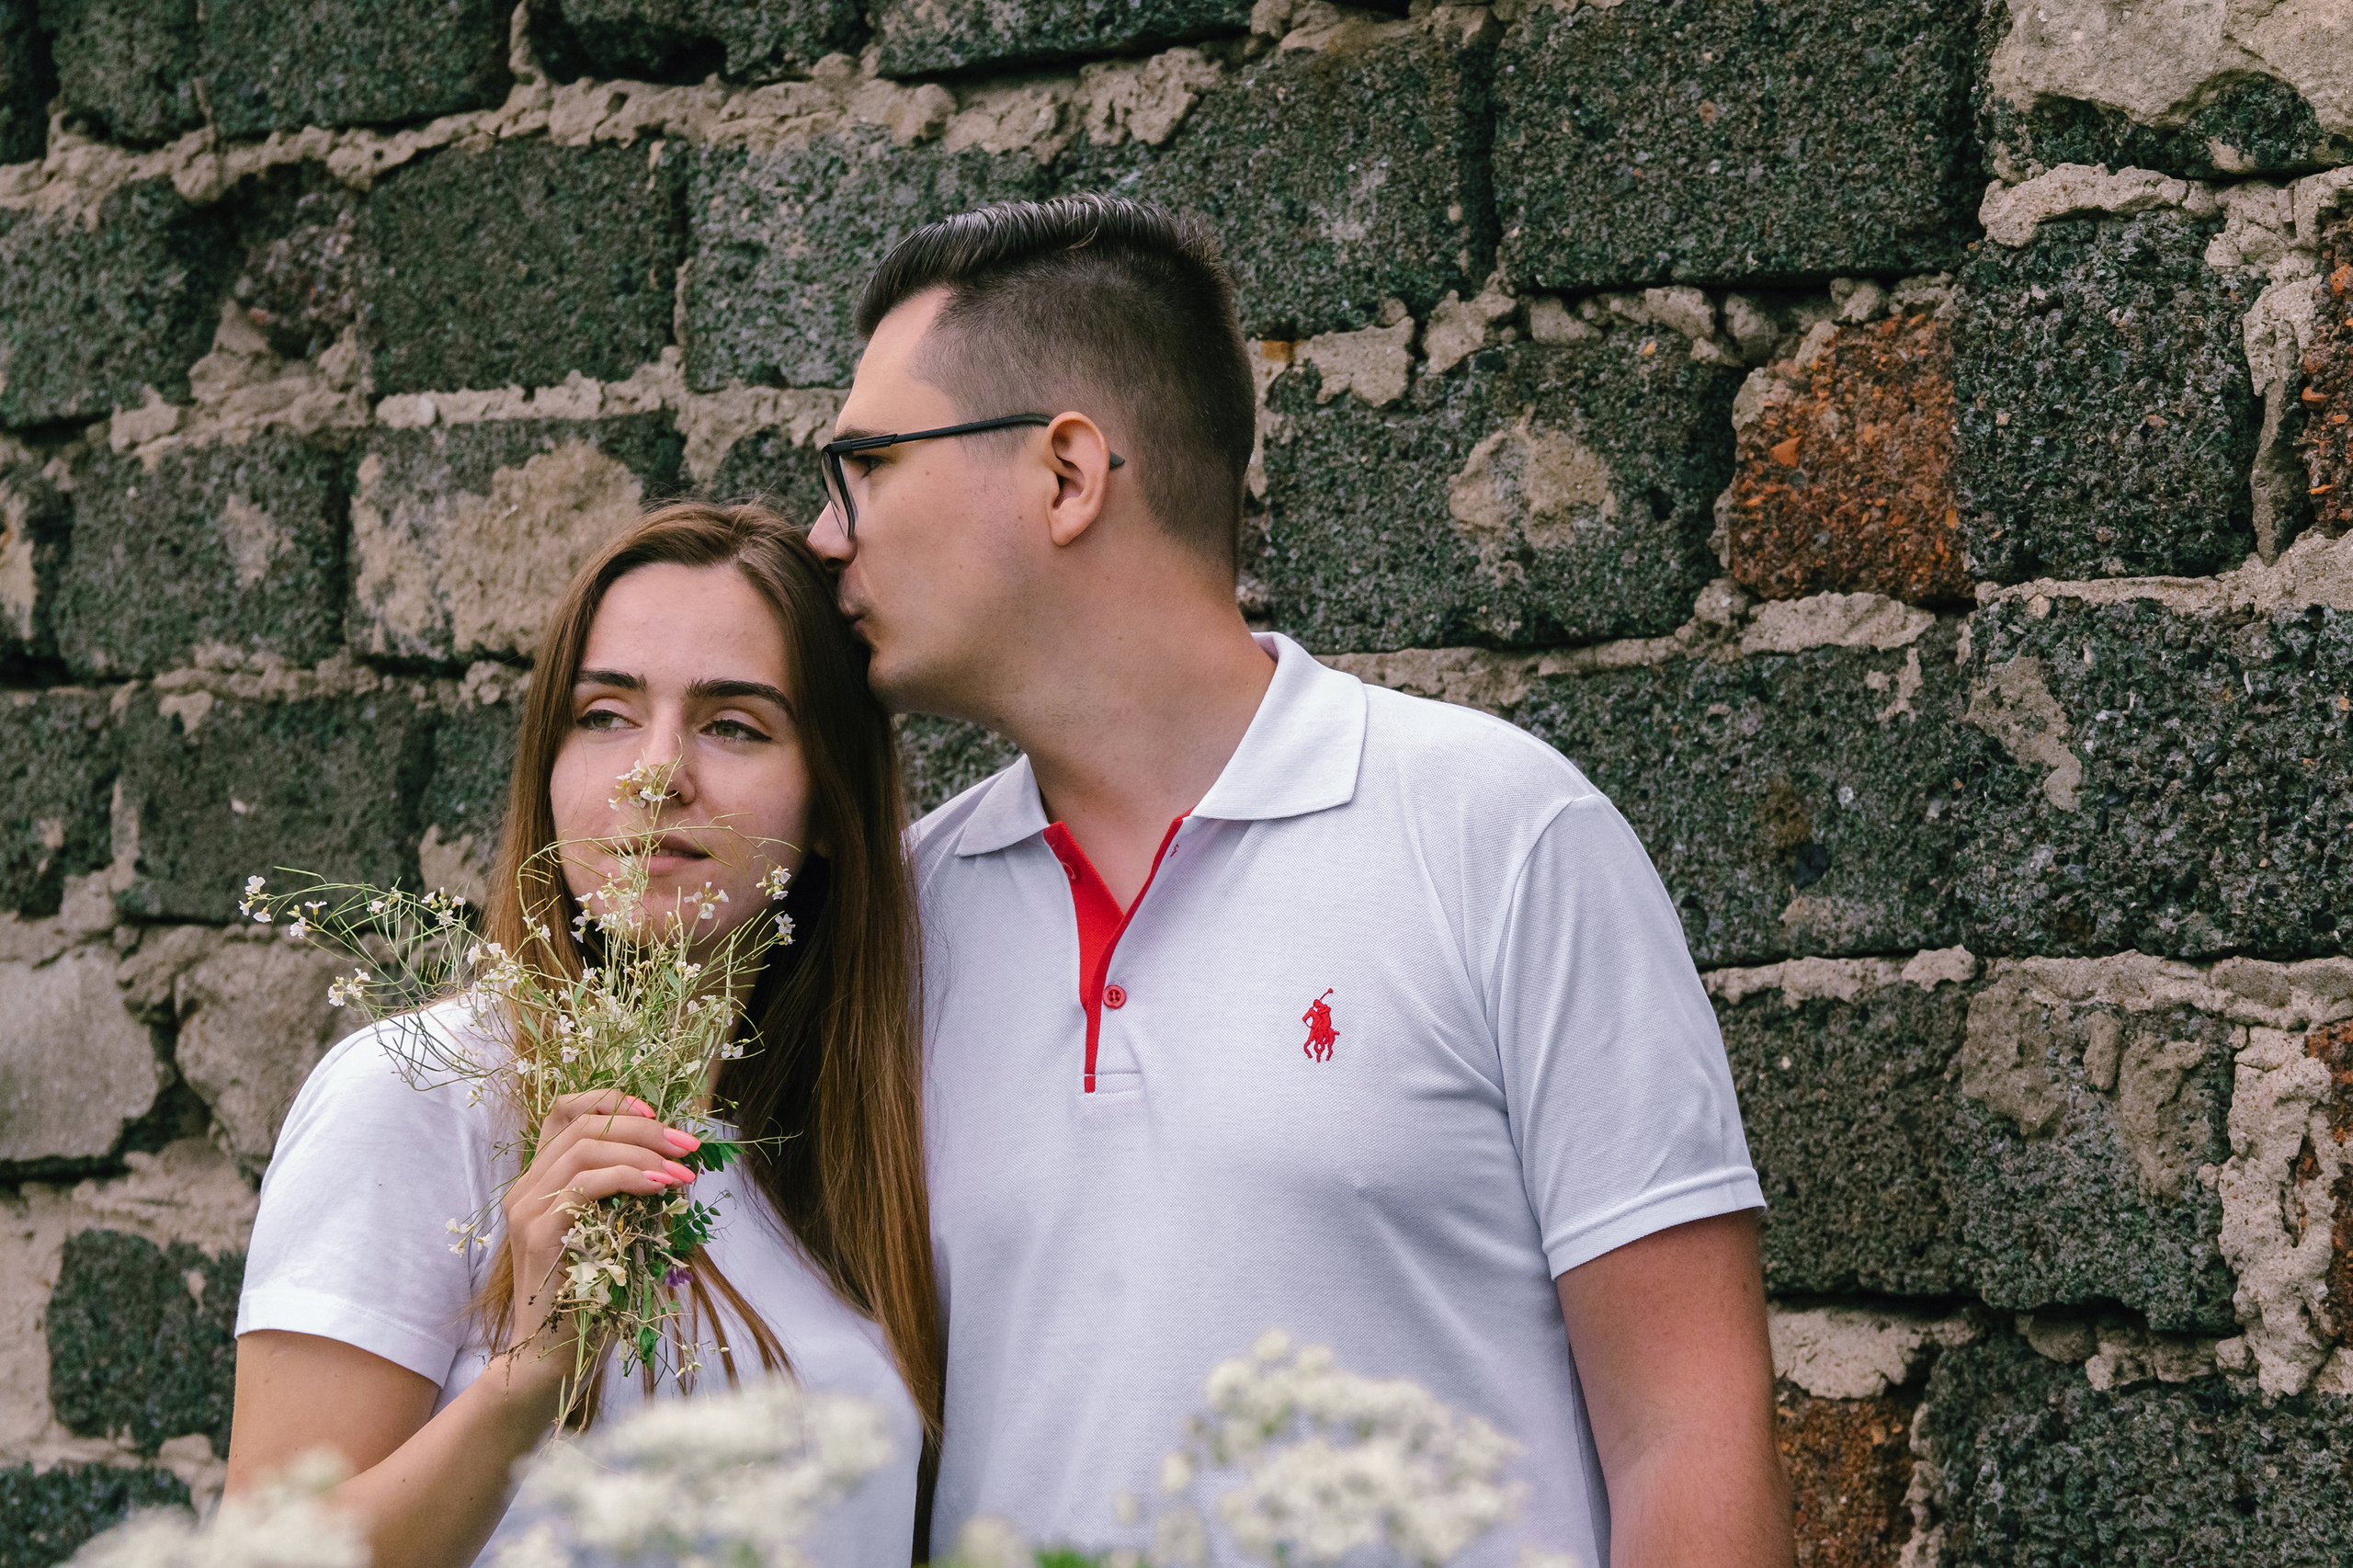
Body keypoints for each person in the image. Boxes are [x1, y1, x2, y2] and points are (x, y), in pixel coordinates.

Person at [809, 196, 1794, 1565]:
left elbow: (1687, 1431)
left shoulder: (1499, 838)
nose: (823, 533)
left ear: (1066, 474)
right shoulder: (903, 924)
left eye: (865, 462)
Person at [227, 503, 939, 1568]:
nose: (655, 772)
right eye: (604, 714)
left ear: (832, 803)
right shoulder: (424, 1095)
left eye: (734, 725)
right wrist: (535, 1360)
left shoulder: (871, 1129)